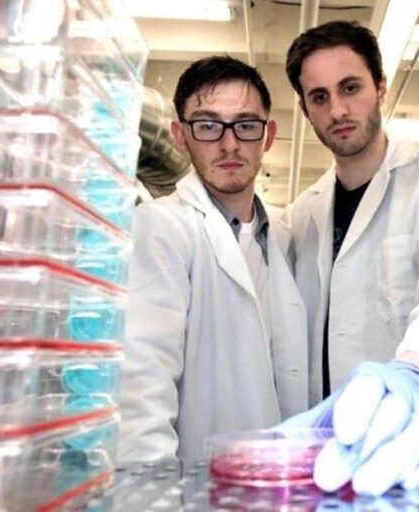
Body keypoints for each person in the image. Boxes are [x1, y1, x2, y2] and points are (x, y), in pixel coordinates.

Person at [280, 21, 419, 495]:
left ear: (380, 86)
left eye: (350, 88)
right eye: (319, 97)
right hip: (329, 451)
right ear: (305, 110)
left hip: (411, 442)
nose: (337, 109)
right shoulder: (303, 213)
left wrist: (417, 373)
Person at [119, 56, 309, 461]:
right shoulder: (160, 226)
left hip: (280, 471)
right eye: (207, 126)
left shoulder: (282, 236)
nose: (229, 144)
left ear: (268, 135)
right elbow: (142, 380)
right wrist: (150, 486)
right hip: (200, 476)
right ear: (180, 135)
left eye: (246, 125)